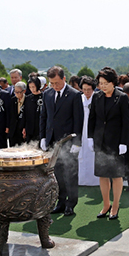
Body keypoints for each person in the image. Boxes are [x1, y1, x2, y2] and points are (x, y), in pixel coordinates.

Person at [40, 66, 84, 216]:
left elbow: (79, 120)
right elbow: (44, 117)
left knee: (70, 173)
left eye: (57, 83)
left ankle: (71, 204)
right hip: (53, 141)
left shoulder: (74, 95)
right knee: (57, 173)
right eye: (52, 83)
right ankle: (61, 201)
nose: (54, 86)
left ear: (64, 79)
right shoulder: (47, 94)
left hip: (69, 141)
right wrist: (43, 138)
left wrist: (77, 142)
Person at [88, 67, 129, 220]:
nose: (102, 86)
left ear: (113, 83)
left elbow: (127, 122)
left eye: (105, 83)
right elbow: (92, 119)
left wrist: (124, 142)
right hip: (100, 141)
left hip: (116, 143)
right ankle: (106, 204)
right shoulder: (97, 97)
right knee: (103, 175)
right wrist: (90, 138)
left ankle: (116, 205)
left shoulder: (122, 97)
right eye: (100, 83)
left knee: (116, 176)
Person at [78, 76, 99, 186]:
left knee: (92, 154)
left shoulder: (97, 98)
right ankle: (82, 179)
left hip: (93, 131)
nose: (86, 92)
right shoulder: (79, 99)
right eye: (84, 89)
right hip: (81, 129)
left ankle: (94, 180)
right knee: (81, 154)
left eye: (89, 90)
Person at [23, 76, 43, 142]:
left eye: (33, 87)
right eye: (30, 87)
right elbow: (25, 113)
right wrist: (24, 127)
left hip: (40, 128)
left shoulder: (44, 97)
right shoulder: (28, 98)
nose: (32, 89)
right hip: (30, 128)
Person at [9, 81, 27, 146]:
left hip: (22, 131)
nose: (16, 94)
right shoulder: (12, 100)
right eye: (15, 91)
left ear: (24, 91)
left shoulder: (28, 101)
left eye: (18, 92)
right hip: (13, 131)